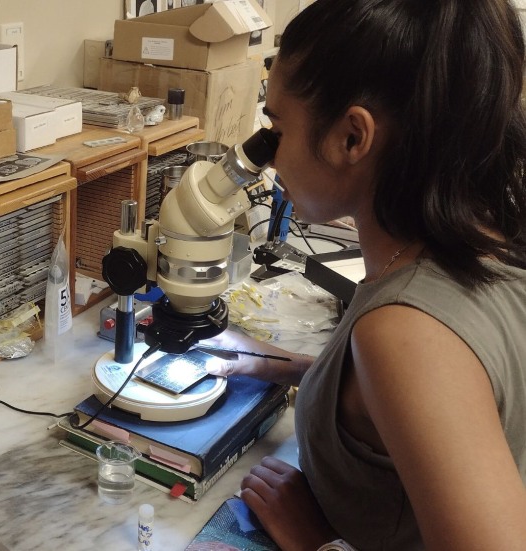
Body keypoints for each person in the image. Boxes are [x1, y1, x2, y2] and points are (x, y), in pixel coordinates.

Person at [204, 0, 526, 549]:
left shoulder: (405, 334)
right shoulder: (488, 243)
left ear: (352, 137)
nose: (269, 156)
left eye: (276, 127)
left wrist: (316, 540)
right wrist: (285, 367)